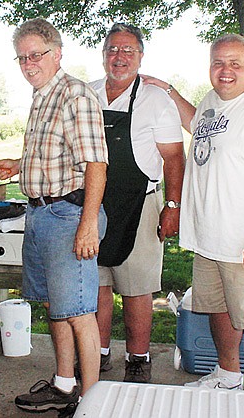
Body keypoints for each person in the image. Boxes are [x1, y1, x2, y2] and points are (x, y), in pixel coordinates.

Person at [144, 33, 244, 389]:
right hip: (211, 237)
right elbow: (198, 123)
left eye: (234, 63)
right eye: (217, 63)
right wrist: (169, 90)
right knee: (218, 307)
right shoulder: (213, 100)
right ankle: (228, 375)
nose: (225, 71)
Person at [0, 18, 108, 413]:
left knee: (80, 313)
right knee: (57, 307)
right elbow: (56, 155)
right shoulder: (42, 95)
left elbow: (95, 165)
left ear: (57, 53)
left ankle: (90, 404)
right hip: (40, 215)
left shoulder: (75, 95)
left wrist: (88, 224)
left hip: (70, 216)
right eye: (21, 57)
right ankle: (63, 384)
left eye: (36, 54)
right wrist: (19, 165)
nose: (28, 63)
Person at [90, 23, 184, 383]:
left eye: (128, 51)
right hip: (92, 206)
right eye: (113, 50)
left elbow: (175, 158)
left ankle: (138, 359)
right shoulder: (87, 94)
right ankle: (97, 355)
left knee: (137, 289)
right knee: (96, 285)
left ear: (140, 57)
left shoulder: (156, 100)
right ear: (103, 56)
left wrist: (171, 206)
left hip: (140, 205)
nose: (120, 57)